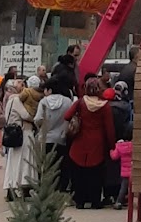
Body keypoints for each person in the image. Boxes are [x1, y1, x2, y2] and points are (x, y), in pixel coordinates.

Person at [65, 77, 116, 208]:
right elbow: (109, 129)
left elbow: (66, 116)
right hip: (97, 143)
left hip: (80, 142)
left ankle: (80, 201)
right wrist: (112, 146)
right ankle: (95, 201)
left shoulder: (81, 103)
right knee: (96, 174)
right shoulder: (105, 106)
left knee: (79, 173)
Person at [2, 81, 38, 202]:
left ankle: (12, 187)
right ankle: (19, 187)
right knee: (23, 162)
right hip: (22, 134)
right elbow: (26, 115)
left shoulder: (8, 101)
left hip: (13, 135)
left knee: (13, 162)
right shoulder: (16, 100)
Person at [35, 79, 73, 190]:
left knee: (46, 165)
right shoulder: (67, 101)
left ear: (50, 90)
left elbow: (38, 119)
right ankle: (61, 188)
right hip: (62, 137)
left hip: (46, 138)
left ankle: (47, 188)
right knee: (61, 165)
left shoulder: (43, 102)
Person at [110, 124, 134, 209]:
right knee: (140, 188)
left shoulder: (120, 146)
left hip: (125, 172)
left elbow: (114, 156)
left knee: (123, 189)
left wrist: (112, 150)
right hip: (135, 171)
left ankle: (119, 202)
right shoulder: (135, 145)